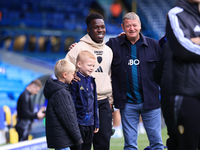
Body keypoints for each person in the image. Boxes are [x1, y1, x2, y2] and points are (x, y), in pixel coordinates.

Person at [106, 12, 163, 149]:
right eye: (128, 26)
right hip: (128, 104)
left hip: (151, 103)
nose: (132, 28)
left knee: (156, 143)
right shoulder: (113, 44)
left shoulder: (154, 45)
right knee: (130, 145)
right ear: (122, 27)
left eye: (134, 25)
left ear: (140, 26)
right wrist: (78, 47)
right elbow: (95, 51)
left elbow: (164, 68)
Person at [65, 12, 113, 150]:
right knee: (81, 145)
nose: (100, 30)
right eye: (96, 27)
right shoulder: (78, 48)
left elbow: (109, 76)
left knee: (103, 144)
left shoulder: (109, 50)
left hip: (103, 103)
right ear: (88, 29)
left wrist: (110, 101)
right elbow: (63, 70)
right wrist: (71, 74)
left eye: (102, 27)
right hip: (82, 104)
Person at [166, 0, 200, 149]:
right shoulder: (176, 13)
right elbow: (182, 48)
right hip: (188, 93)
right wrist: (191, 42)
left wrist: (194, 40)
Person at [43, 59, 83, 150]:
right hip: (62, 139)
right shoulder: (61, 93)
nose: (73, 77)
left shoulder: (60, 90)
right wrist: (78, 138)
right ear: (65, 75)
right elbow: (68, 118)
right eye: (72, 74)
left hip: (61, 138)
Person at [70, 51, 99, 150]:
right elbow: (72, 104)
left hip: (90, 123)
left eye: (93, 65)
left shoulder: (92, 80)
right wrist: (73, 122)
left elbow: (95, 102)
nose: (92, 68)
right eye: (89, 65)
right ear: (79, 64)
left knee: (87, 147)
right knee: (77, 147)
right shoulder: (75, 80)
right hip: (79, 123)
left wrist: (96, 122)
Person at [153, 35, 179, 149]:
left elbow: (157, 74)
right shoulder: (164, 42)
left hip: (170, 95)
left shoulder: (168, 45)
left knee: (174, 135)